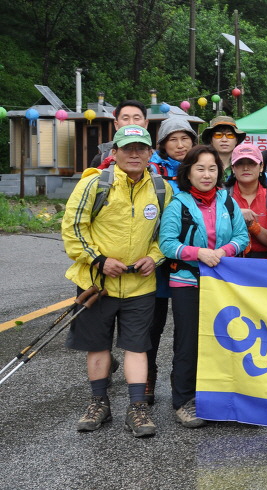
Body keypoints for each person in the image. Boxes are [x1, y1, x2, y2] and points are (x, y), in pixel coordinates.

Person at [62, 125, 171, 438]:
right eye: (127, 148)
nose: (134, 154)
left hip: (140, 285)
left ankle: (137, 407)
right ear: (115, 153)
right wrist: (99, 260)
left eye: (141, 148)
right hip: (97, 284)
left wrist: (155, 257)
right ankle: (99, 401)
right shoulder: (94, 183)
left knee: (137, 346)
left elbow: (166, 233)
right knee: (97, 345)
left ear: (150, 153)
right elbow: (73, 228)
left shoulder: (162, 188)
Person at [158, 145, 248, 428]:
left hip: (221, 282)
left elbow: (242, 237)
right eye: (200, 169)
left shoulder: (227, 201)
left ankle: (218, 396)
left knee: (222, 338)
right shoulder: (178, 204)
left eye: (212, 169)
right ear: (188, 173)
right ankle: (183, 400)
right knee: (189, 340)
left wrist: (223, 251)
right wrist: (198, 253)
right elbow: (167, 244)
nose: (207, 175)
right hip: (187, 281)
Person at [145, 116, 197, 405]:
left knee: (186, 325)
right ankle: (148, 376)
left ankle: (182, 379)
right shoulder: (151, 170)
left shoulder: (199, 168)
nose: (180, 145)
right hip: (155, 256)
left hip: (187, 259)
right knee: (152, 323)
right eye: (173, 139)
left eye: (185, 138)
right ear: (162, 144)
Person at [225, 143, 267, 259]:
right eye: (240, 163)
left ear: (261, 167)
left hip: (265, 262)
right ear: (233, 168)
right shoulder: (222, 196)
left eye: (252, 163)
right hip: (230, 261)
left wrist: (252, 225)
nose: (246, 168)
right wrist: (236, 213)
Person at [90, 99, 149, 168]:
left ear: (146, 124)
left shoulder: (157, 160)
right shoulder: (101, 159)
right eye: (125, 118)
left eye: (136, 118)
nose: (131, 123)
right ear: (116, 124)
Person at [200, 115, 246, 182]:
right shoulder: (201, 163)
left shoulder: (244, 164)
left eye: (230, 135)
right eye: (218, 135)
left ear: (236, 140)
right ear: (211, 140)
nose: (224, 140)